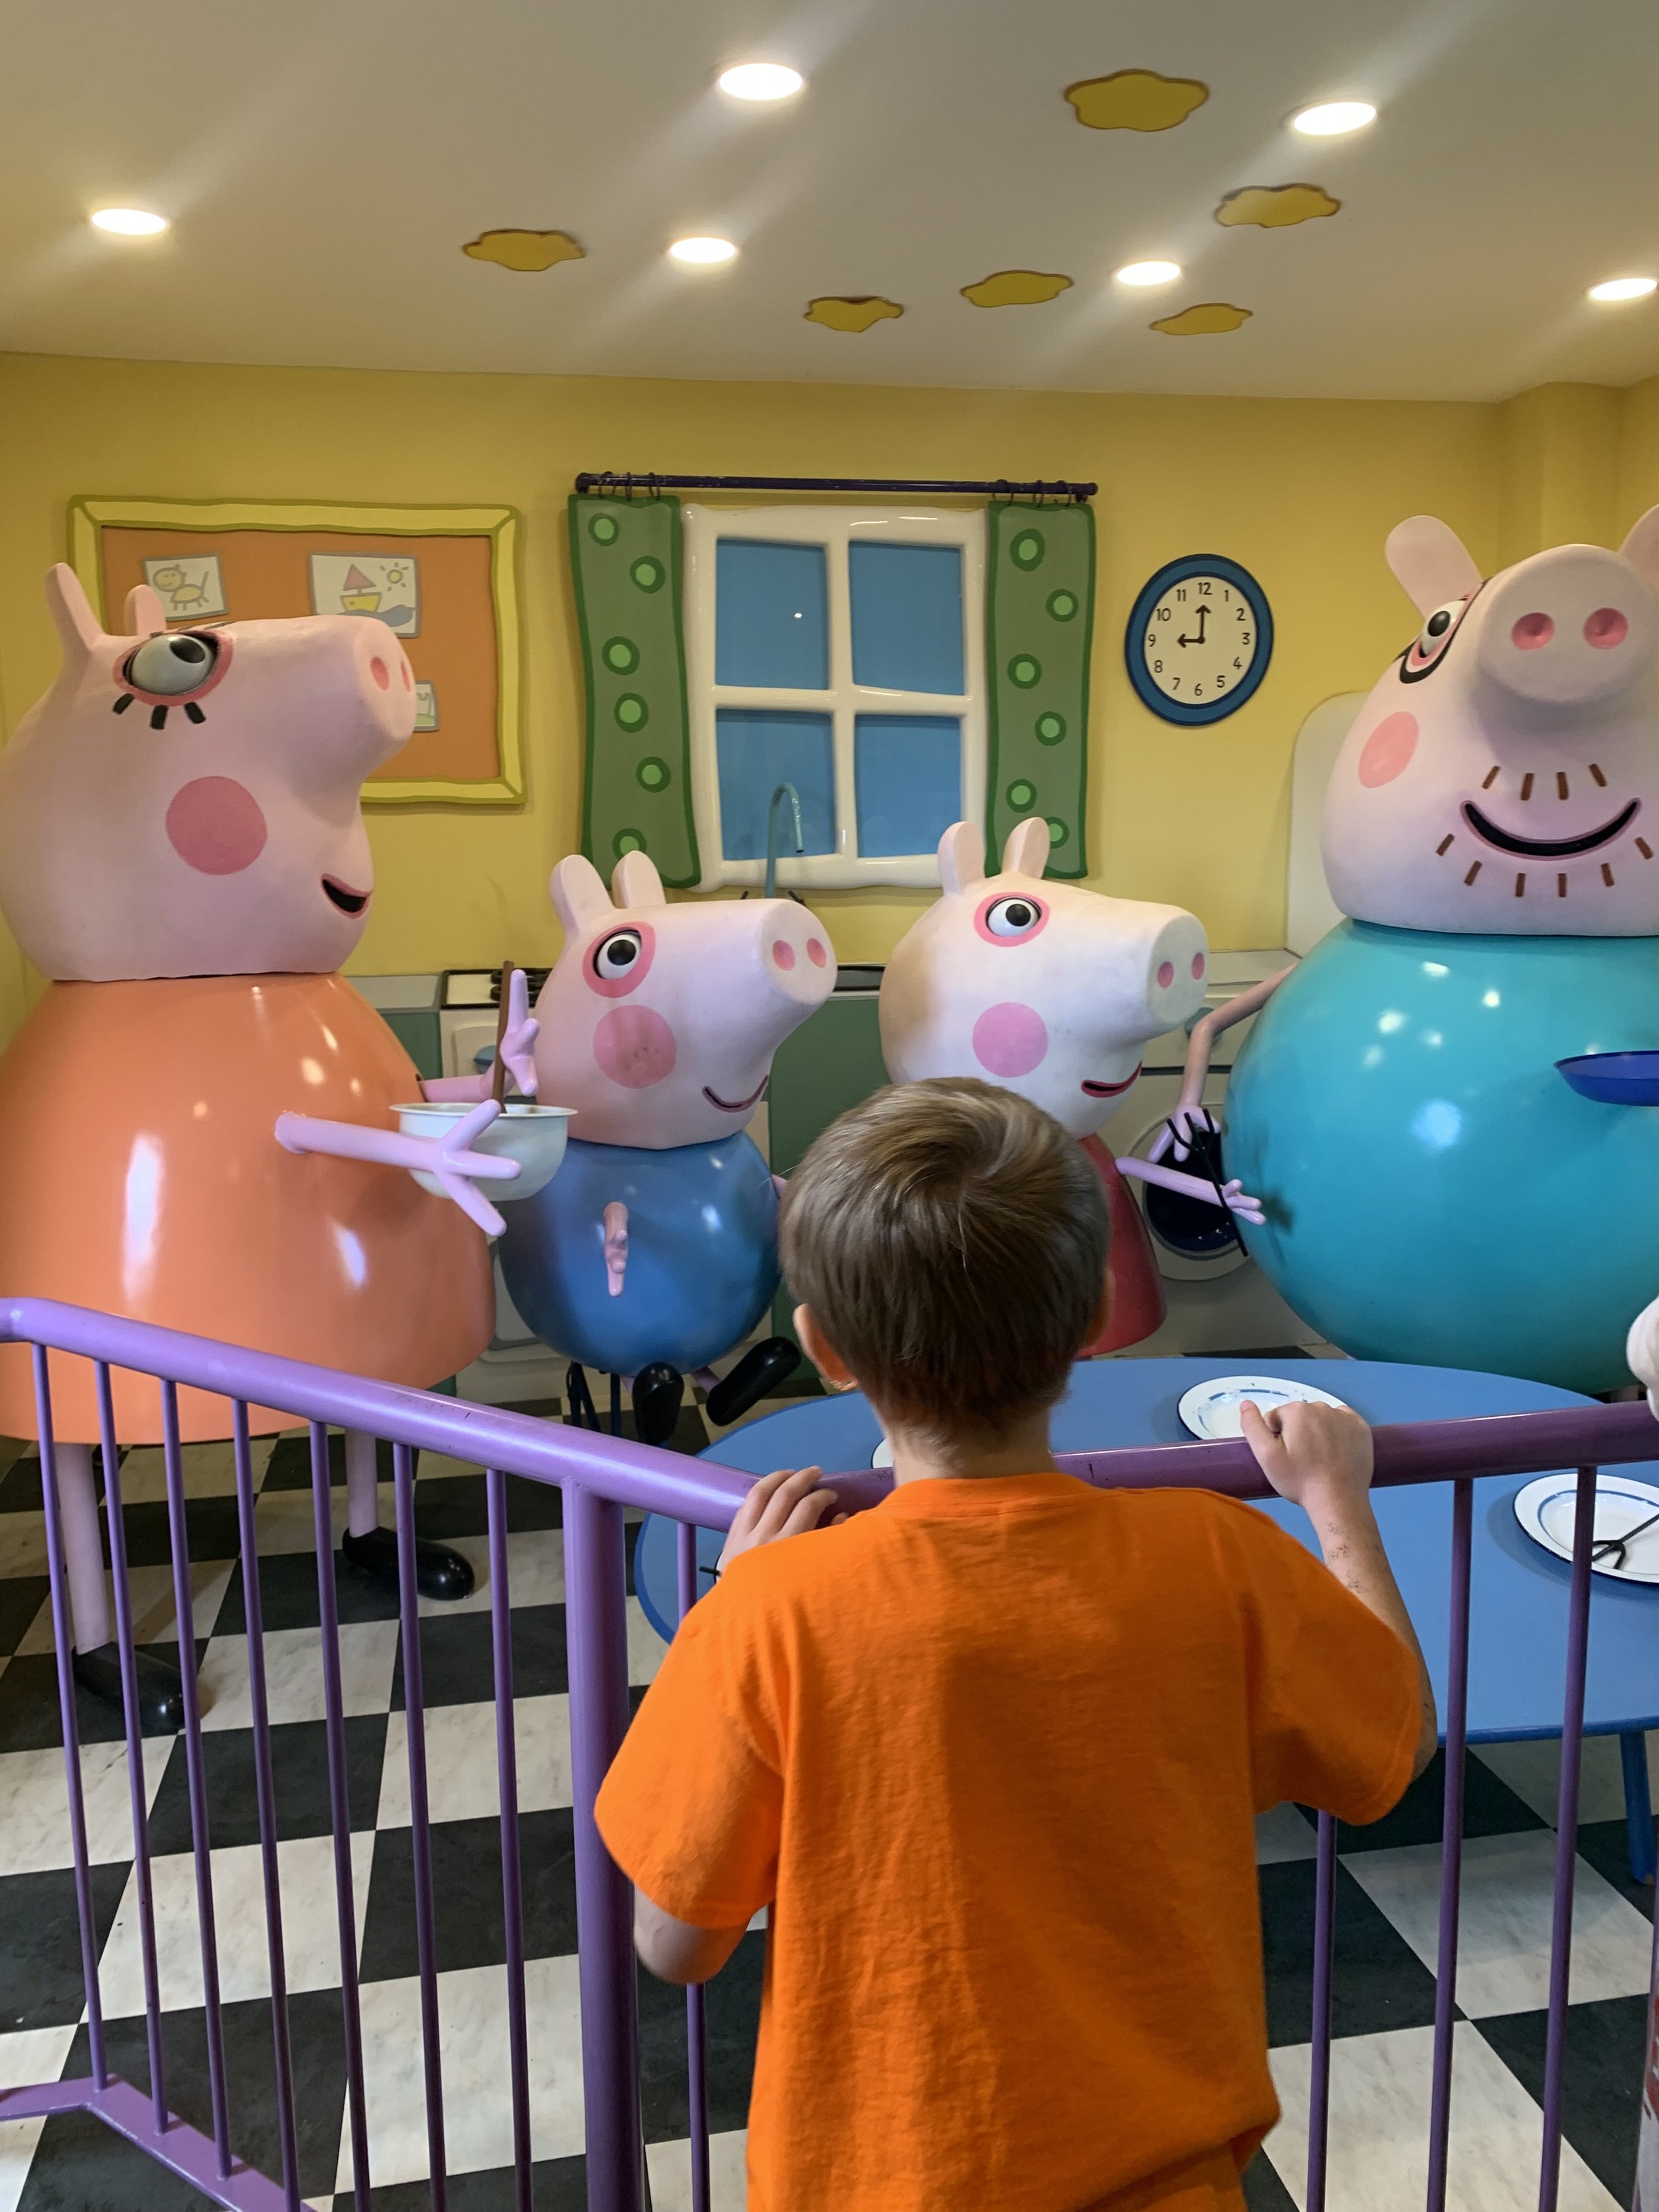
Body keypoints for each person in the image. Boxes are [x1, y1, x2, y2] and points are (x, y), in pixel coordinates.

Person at [596, 1078, 1436, 2212]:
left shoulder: (769, 1611)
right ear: (1095, 1316)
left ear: (824, 1347)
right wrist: (1339, 1500)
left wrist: (731, 1609)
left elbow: (675, 1943)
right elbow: (1394, 1744)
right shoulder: (1216, 1550)